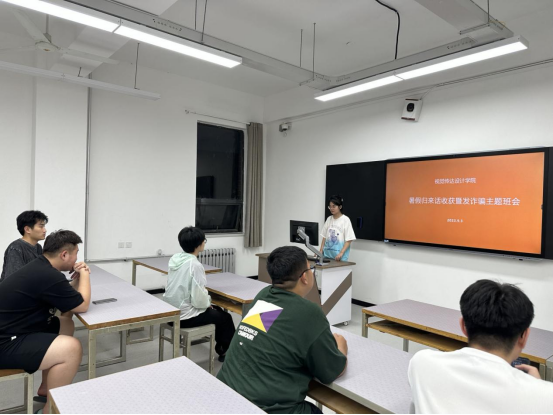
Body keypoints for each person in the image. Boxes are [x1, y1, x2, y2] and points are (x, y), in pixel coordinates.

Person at [217, 246, 348, 414]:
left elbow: (263, 336)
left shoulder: (265, 296)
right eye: (310, 268)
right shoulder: (309, 312)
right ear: (304, 277)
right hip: (266, 408)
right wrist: (341, 348)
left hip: (228, 396)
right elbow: (332, 371)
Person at [408, 279, 553, 414]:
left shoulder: (421, 363)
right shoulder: (546, 398)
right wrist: (538, 387)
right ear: (524, 336)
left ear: (463, 326)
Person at [0, 230, 90, 414]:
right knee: (72, 349)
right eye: (76, 254)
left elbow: (68, 298)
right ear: (64, 254)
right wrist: (86, 274)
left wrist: (77, 280)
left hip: (16, 329)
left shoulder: (41, 267)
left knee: (65, 324)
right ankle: (50, 410)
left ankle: (46, 388)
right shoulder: (48, 275)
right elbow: (82, 305)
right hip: (5, 343)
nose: (77, 259)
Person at [163, 226, 235, 361]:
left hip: (171, 311)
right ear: (198, 244)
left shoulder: (175, 259)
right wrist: (207, 303)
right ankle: (226, 352)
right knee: (225, 318)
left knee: (218, 311)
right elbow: (198, 298)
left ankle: (223, 347)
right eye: (204, 241)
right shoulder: (194, 265)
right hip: (184, 317)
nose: (204, 243)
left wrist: (207, 304)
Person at [0, 210, 48, 282]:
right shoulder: (16, 248)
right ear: (27, 229)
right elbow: (13, 280)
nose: (45, 230)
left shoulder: (38, 247)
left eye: (44, 226)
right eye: (41, 226)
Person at [319, 195, 356, 261]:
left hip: (339, 257)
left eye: (334, 206)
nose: (331, 208)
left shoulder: (345, 220)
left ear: (340, 207)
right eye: (330, 206)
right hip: (327, 255)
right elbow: (324, 236)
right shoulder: (329, 219)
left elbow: (349, 239)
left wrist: (341, 253)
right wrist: (320, 251)